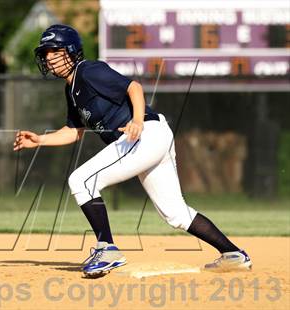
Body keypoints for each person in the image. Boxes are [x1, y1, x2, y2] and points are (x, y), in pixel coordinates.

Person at [13, 24, 252, 277]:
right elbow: (75, 131)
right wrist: (39, 140)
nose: (49, 57)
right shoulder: (71, 90)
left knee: (81, 180)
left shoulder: (89, 71)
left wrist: (137, 120)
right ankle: (234, 254)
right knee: (176, 214)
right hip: (150, 138)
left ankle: (107, 248)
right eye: (46, 52)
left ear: (71, 51)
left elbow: (133, 87)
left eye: (54, 50)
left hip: (145, 134)